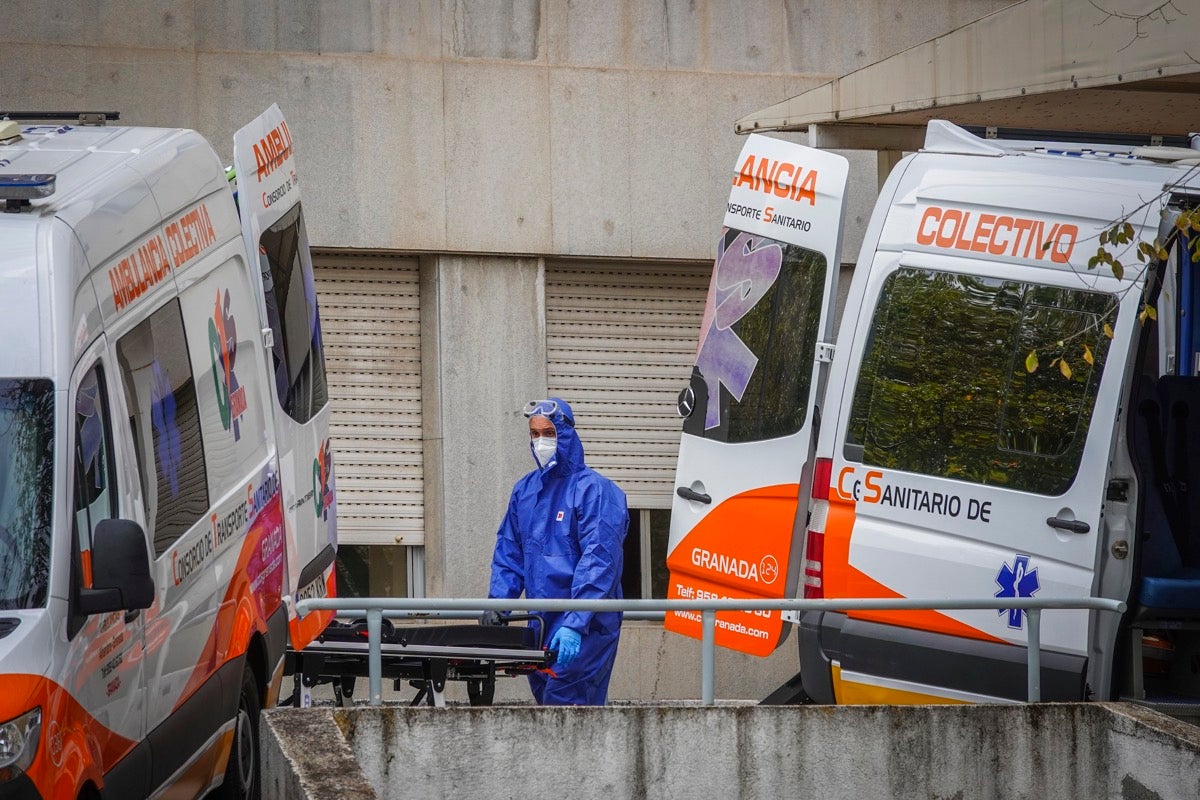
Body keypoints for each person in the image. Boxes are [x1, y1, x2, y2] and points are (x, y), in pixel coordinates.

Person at [486, 397, 628, 705]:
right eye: (534, 434)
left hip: (588, 626)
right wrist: (498, 607)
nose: (540, 441)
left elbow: (599, 562)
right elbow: (509, 553)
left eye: (547, 432)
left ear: (565, 434)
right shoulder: (525, 491)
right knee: (547, 706)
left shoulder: (597, 491)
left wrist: (576, 623)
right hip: (541, 624)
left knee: (565, 700)